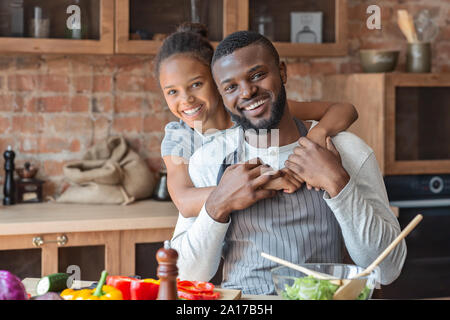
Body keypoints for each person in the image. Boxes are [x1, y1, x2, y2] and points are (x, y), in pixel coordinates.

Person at [170, 31, 407, 295]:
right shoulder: (209, 159)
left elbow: (388, 269)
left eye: (257, 75)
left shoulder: (348, 151)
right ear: (223, 96)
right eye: (231, 87)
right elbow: (185, 276)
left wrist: (338, 183)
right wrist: (218, 203)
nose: (247, 91)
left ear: (282, 72)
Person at [156, 23, 358, 218]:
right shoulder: (180, 137)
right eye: (172, 91)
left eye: (196, 84)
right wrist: (264, 182)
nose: (186, 99)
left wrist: (316, 136)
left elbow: (344, 109)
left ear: (218, 81)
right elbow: (184, 202)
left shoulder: (254, 111)